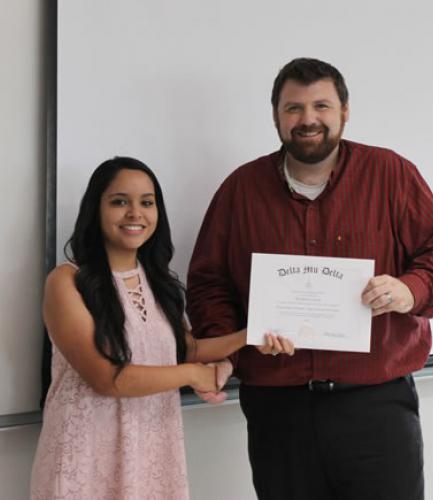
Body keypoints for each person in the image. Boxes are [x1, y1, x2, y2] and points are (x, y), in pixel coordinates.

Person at [186, 58, 433, 500]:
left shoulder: (390, 174)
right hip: (279, 410)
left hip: (376, 405)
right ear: (276, 115)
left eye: (321, 105)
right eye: (293, 108)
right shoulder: (240, 189)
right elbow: (208, 283)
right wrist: (233, 342)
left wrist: (408, 289)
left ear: (345, 111)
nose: (308, 119)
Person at [30, 157, 292, 499]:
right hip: (86, 454)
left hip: (152, 449)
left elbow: (189, 349)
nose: (135, 213)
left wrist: (250, 335)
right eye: (119, 201)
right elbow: (106, 378)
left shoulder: (157, 282)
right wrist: (192, 375)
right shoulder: (66, 281)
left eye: (147, 203)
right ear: (96, 209)